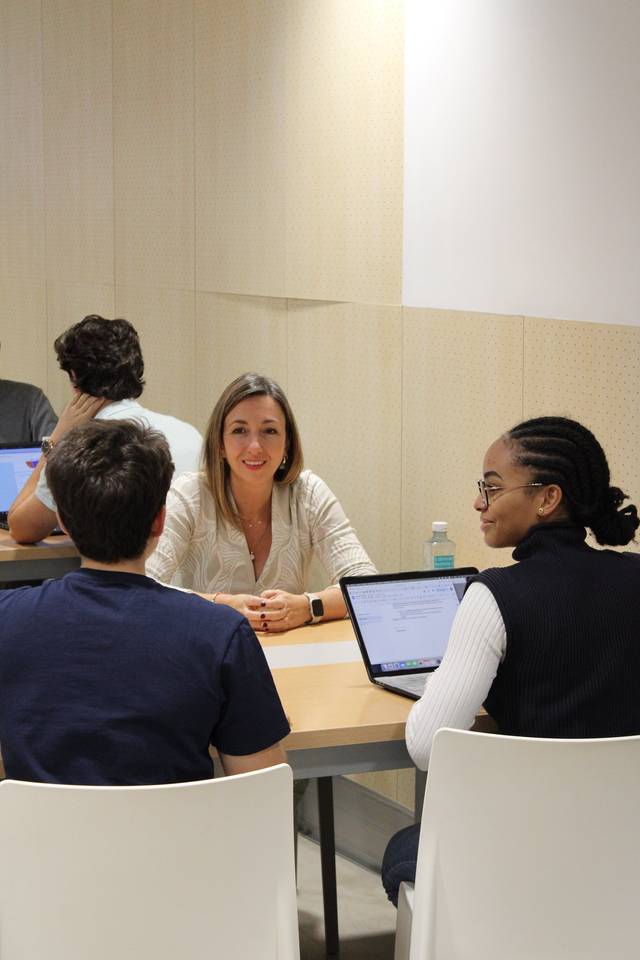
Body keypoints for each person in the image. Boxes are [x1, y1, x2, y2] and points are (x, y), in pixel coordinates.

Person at [381, 415, 640, 906]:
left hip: (529, 849)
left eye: (492, 488)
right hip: (627, 849)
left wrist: (440, 676)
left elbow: (427, 748)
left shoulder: (495, 596)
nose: (479, 503)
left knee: (402, 852)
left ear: (547, 498)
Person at [0, 419, 289, 785]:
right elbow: (262, 793)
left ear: (64, 524)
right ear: (159, 521)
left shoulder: (8, 620)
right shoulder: (220, 635)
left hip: (39, 842)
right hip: (176, 841)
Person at [147, 372, 376, 633]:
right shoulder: (190, 494)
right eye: (239, 430)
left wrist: (309, 606)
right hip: (207, 658)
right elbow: (145, 585)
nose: (254, 446)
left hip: (291, 658)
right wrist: (219, 605)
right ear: (220, 443)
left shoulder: (308, 493)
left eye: (269, 431)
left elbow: (367, 586)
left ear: (287, 443)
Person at [8, 315, 202, 543]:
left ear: (74, 378)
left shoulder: (78, 446)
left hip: (114, 577)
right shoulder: (190, 435)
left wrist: (55, 442)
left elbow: (22, 527)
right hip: (184, 578)